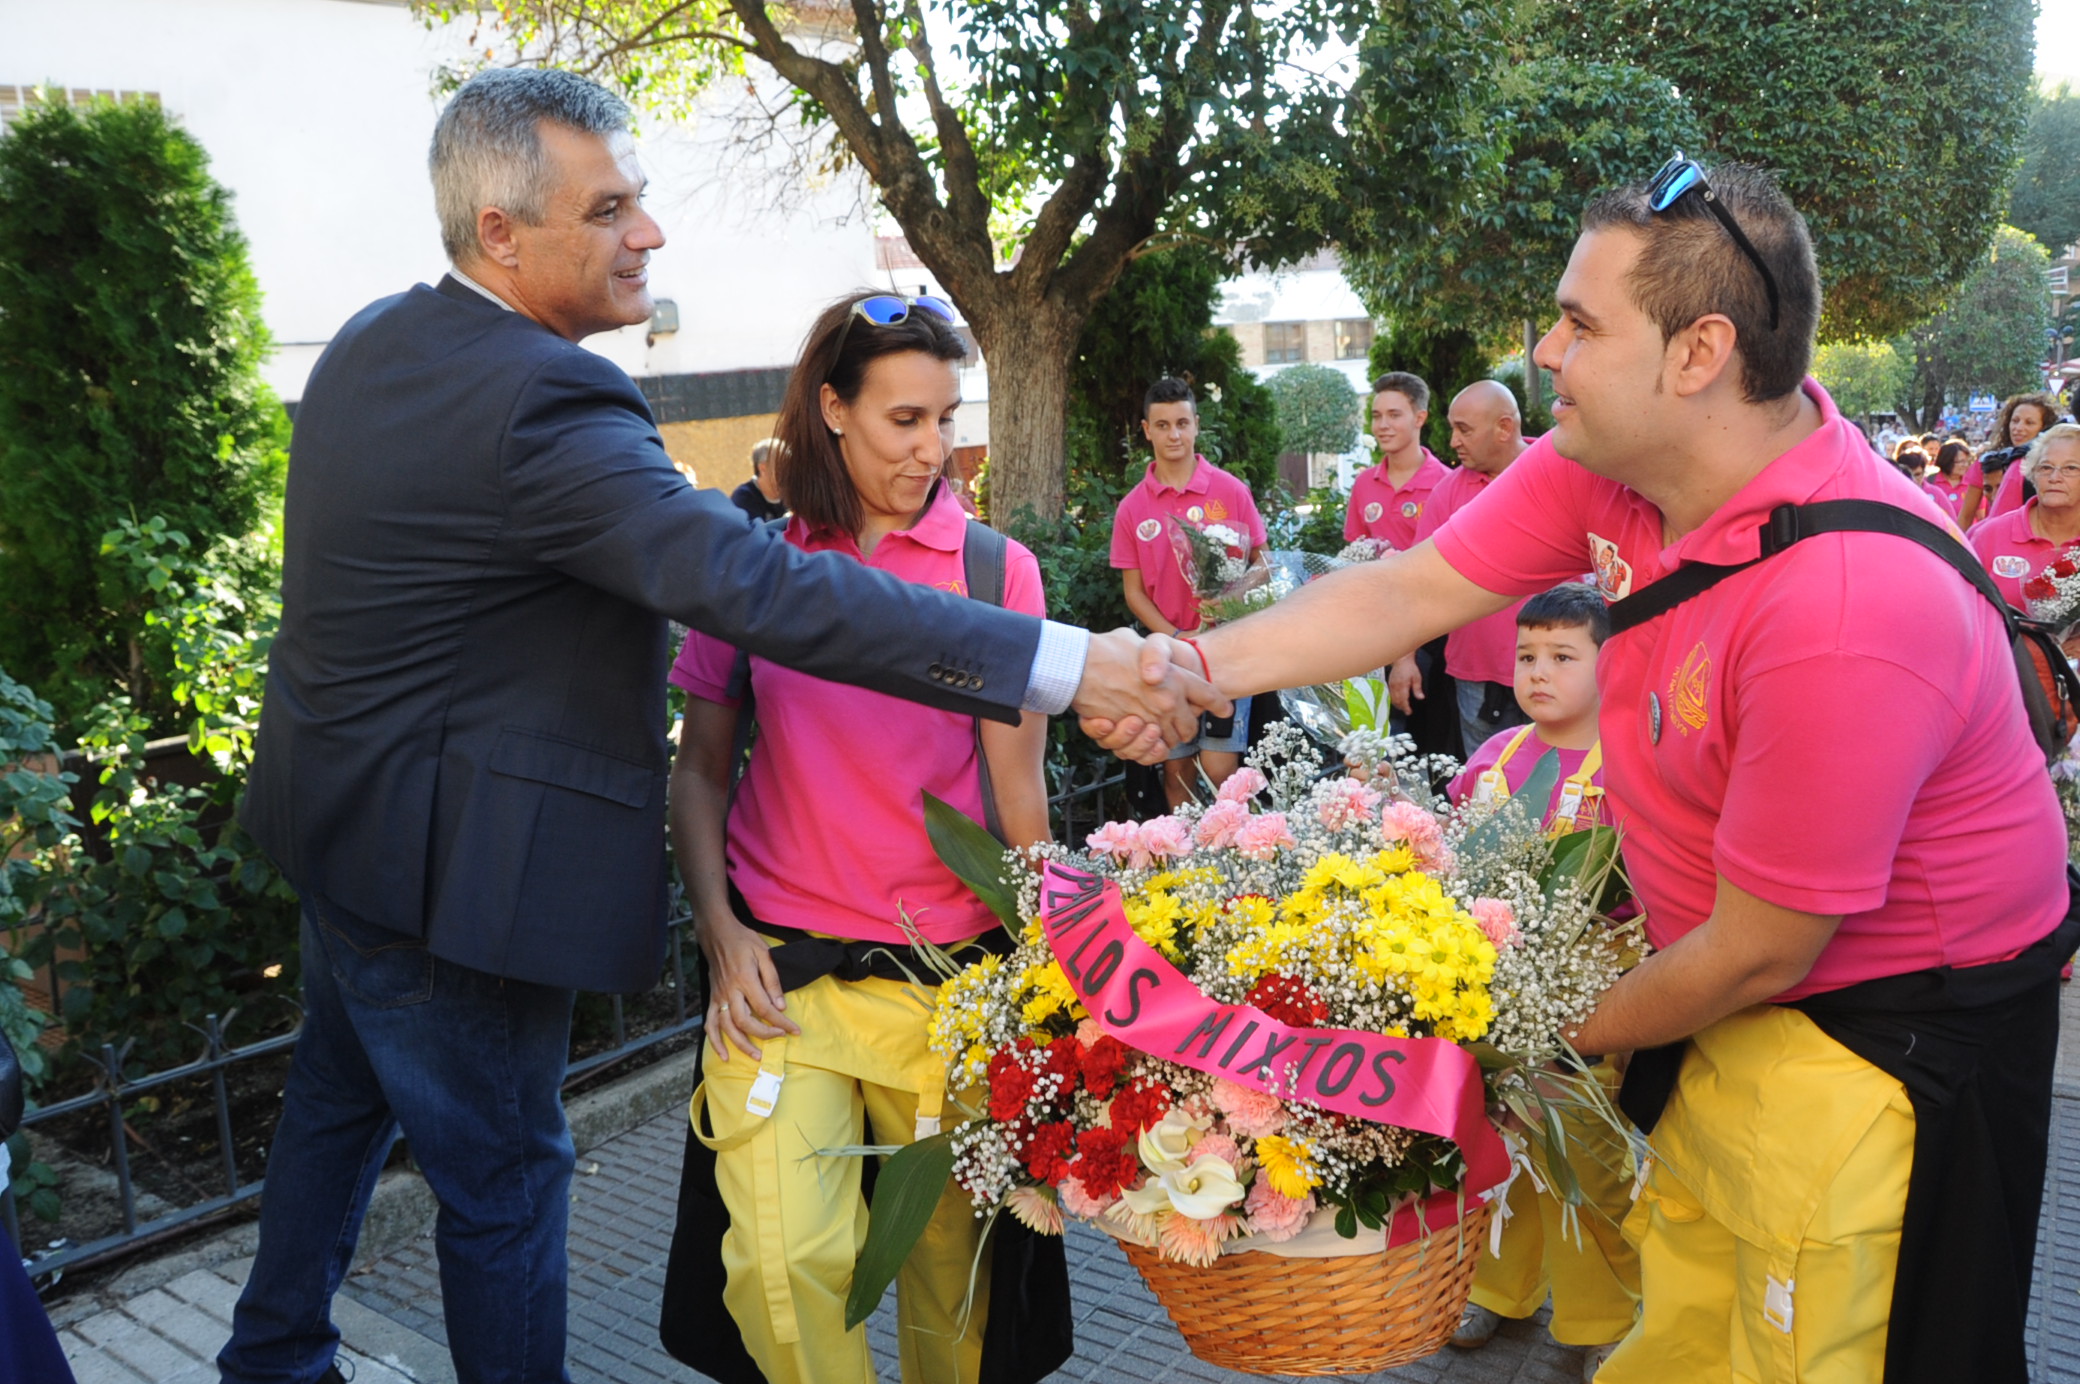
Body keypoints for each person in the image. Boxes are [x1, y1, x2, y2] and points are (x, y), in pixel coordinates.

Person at [219, 69, 1218, 1384]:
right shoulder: (547, 403)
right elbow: (758, 589)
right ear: (503, 232)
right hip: (452, 883)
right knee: (511, 1185)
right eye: (613, 208)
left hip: (340, 841)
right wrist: (1068, 662)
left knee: (334, 1123)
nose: (651, 234)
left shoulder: (371, 344)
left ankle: (272, 1358)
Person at [1138, 158, 2070, 1384]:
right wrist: (1184, 663)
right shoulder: (1614, 468)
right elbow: (1411, 589)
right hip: (1733, 1031)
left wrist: (1501, 1045)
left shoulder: (1847, 602)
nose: (1544, 354)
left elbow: (1760, 945)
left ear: (1698, 353)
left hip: (1888, 1062)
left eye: (1579, 324)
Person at [665, 293, 1055, 1384]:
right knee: (784, 1272)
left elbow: (1018, 799)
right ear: (832, 409)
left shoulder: (993, 572)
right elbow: (697, 769)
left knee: (955, 1293)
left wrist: (1055, 980)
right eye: (904, 420)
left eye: (944, 416)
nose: (933, 448)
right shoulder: (751, 569)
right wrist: (719, 931)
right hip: (779, 982)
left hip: (951, 986)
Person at [1445, 583, 1639, 1383]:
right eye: (1527, 656)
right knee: (1502, 1147)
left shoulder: (1632, 766)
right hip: (1502, 996)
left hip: (1595, 995)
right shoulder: (1496, 759)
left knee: (1586, 1162)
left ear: (1611, 662)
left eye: (1563, 656)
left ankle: (1602, 1316)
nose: (1538, 672)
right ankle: (1497, 1287)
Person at [1111, 377, 1267, 807]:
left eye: (1182, 423)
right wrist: (1177, 639)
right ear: (1146, 430)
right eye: (1162, 425)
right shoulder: (1132, 507)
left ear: (1197, 425)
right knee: (1176, 769)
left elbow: (1264, 564)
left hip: (1225, 651)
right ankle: (1187, 865)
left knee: (1221, 771)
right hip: (1169, 656)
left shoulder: (1230, 490)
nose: (1173, 434)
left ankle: (1230, 859)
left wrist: (1230, 599)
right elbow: (1135, 593)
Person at [1395, 380, 1534, 759]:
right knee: (1487, 791)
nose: (1453, 440)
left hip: (1559, 671)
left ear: (1504, 428)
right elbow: (1417, 581)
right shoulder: (1448, 492)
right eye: (1453, 427)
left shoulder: (1559, 471)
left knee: (1562, 790)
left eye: (1464, 430)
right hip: (1478, 673)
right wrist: (1404, 659)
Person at [1344, 372, 1449, 553]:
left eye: (1394, 415)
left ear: (1420, 418)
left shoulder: (1447, 483)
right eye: (1377, 416)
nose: (1383, 425)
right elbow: (1354, 553)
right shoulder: (1364, 483)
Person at [1961, 392, 2062, 527]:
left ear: (2044, 428)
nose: (2018, 428)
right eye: (2015, 421)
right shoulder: (1987, 461)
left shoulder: (2056, 466)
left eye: (2029, 423)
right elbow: (1966, 516)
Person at [730, 437, 788, 522]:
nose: (788, 470)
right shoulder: (744, 499)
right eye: (782, 464)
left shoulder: (794, 495)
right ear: (763, 468)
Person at [1922, 438, 1971, 518]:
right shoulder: (1929, 482)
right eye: (1961, 462)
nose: (1965, 465)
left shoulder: (1971, 484)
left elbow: (1981, 516)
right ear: (1948, 461)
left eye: (1967, 461)